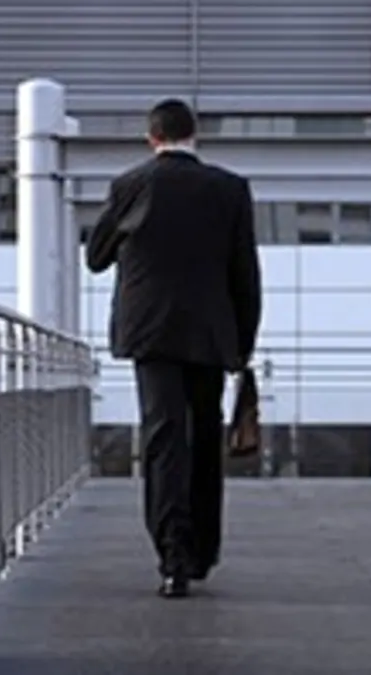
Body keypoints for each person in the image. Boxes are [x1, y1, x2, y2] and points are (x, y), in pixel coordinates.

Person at [86, 98, 262, 598]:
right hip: (210, 333)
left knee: (164, 439)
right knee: (204, 439)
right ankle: (204, 550)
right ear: (194, 135)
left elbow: (95, 258)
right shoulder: (230, 189)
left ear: (152, 138)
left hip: (151, 333)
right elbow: (244, 274)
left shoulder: (131, 185)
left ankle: (172, 557)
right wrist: (242, 344)